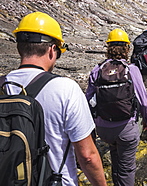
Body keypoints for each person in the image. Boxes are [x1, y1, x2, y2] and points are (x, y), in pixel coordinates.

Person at [5, 12, 107, 185]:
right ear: (52, 49)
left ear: (19, 47)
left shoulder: (2, 84)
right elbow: (87, 156)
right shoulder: (66, 89)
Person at [85, 28, 147, 186]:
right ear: (127, 49)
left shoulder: (97, 70)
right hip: (126, 128)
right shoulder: (132, 70)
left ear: (108, 48)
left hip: (103, 129)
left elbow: (87, 100)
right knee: (127, 169)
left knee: (116, 157)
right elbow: (144, 101)